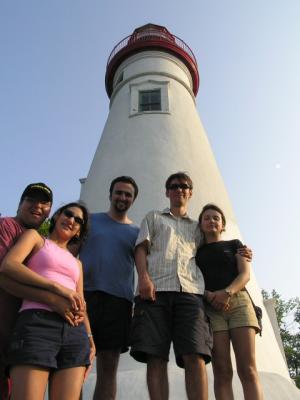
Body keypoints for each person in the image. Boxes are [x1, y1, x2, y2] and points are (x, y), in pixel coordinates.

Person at [1, 202, 95, 400]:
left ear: (79, 231)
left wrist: (89, 337)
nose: (72, 220)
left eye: (79, 221)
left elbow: (81, 302)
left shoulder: (77, 263)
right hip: (37, 324)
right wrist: (55, 288)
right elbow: (9, 266)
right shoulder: (35, 238)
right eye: (68, 214)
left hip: (74, 333)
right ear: (57, 216)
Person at [130, 172, 212, 400]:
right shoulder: (154, 217)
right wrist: (144, 278)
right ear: (167, 192)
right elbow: (141, 248)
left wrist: (240, 253)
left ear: (191, 192)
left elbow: (213, 251)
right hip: (155, 293)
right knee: (155, 357)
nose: (179, 189)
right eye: (174, 186)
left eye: (184, 186)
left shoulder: (198, 228)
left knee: (195, 356)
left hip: (191, 293)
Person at [79, 176, 139, 400]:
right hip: (83, 298)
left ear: (133, 199)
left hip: (119, 302)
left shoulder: (137, 232)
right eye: (119, 192)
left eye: (128, 194)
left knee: (108, 366)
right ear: (110, 194)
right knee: (75, 361)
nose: (122, 197)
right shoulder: (89, 221)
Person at [196, 203, 263, 400]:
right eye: (207, 218)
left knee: (248, 369)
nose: (211, 221)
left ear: (223, 224)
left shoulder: (235, 244)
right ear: (200, 224)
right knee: (222, 371)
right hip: (211, 308)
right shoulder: (195, 253)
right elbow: (191, 279)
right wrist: (210, 296)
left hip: (239, 302)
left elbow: (245, 274)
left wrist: (227, 292)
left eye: (216, 218)